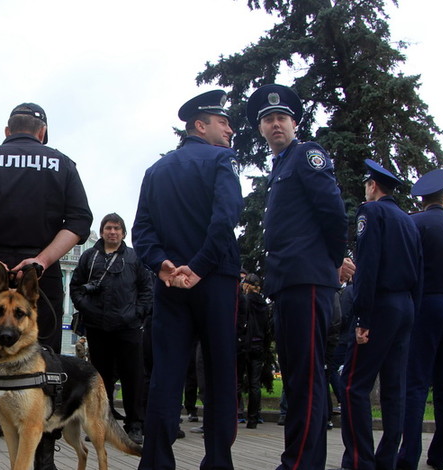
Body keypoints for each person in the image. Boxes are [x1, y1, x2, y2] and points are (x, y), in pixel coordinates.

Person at [0, 102, 92, 470]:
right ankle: (44, 460)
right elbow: (78, 222)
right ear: (42, 133)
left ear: (8, 131)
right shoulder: (62, 163)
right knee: (45, 365)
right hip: (38, 281)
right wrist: (41, 261)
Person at [132, 89, 243, 470]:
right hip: (213, 281)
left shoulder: (156, 171)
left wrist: (163, 265)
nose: (230, 129)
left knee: (166, 375)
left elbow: (142, 230)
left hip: (170, 286)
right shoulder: (222, 160)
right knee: (219, 373)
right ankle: (217, 462)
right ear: (201, 125)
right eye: (223, 122)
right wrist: (199, 266)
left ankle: (156, 462)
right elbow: (226, 217)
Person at [246, 83, 351, 470]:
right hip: (287, 284)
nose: (276, 124)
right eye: (268, 120)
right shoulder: (280, 167)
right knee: (294, 377)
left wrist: (330, 262)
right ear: (260, 129)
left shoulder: (307, 155)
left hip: (308, 281)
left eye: (282, 118)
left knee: (305, 377)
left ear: (294, 123)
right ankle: (299, 458)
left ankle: (301, 464)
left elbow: (333, 212)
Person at [338, 159, 423, 470]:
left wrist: (362, 317)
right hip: (405, 307)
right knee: (394, 387)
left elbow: (368, 266)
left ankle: (360, 460)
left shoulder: (371, 212)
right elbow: (420, 271)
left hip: (381, 305)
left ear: (372, 186)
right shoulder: (408, 220)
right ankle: (387, 459)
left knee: (351, 384)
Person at [70, 212, 153, 444]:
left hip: (128, 327)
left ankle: (135, 424)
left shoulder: (134, 259)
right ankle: (101, 424)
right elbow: (75, 287)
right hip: (98, 326)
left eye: (117, 228)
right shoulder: (89, 257)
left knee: (133, 377)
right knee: (100, 379)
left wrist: (137, 314)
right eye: (108, 228)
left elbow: (147, 290)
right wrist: (86, 307)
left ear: (123, 233)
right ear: (103, 231)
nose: (112, 232)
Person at [397, 169, 443, 470]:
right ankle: (441, 454)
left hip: (426, 305)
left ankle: (408, 456)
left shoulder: (413, 223)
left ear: (422, 201)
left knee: (416, 382)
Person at [237, 273, 272, 429]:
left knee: (236, 381)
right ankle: (253, 418)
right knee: (255, 384)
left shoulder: (245, 301)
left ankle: (235, 414)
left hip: (244, 344)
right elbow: (267, 328)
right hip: (259, 345)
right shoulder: (264, 305)